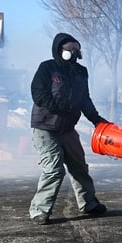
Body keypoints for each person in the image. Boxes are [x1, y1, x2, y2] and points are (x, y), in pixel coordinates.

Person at [29, 33, 109, 225]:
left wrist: (96, 119)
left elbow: (84, 99)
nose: (72, 52)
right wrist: (61, 108)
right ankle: (39, 210)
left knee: (79, 166)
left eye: (75, 49)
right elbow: (38, 94)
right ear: (59, 50)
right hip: (46, 127)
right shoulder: (47, 67)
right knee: (54, 170)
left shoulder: (81, 72)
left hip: (67, 129)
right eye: (68, 49)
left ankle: (89, 203)